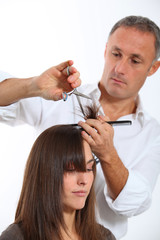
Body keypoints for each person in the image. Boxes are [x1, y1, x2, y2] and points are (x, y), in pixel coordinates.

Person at [0, 15, 160, 239]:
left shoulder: (152, 134)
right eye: (116, 54)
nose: (120, 68)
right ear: (105, 50)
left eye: (135, 60)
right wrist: (32, 86)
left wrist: (108, 155)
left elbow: (134, 204)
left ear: (153, 68)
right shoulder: (62, 97)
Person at [0, 124, 116, 240]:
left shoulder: (104, 237)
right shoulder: (15, 237)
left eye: (89, 168)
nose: (84, 181)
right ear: (46, 173)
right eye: (71, 169)